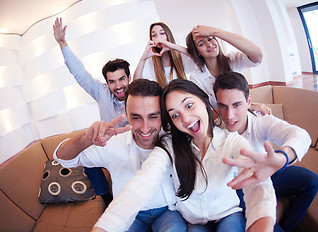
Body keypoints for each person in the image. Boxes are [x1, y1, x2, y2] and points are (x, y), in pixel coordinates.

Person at [93, 79, 278, 232]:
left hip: (227, 214)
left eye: (189, 105)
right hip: (194, 223)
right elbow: (143, 183)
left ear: (204, 102)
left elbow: (258, 188)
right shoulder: (169, 145)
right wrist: (105, 227)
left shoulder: (232, 141)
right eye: (174, 115)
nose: (185, 119)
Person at [53, 79, 187, 232]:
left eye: (153, 116)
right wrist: (86, 139)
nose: (144, 128)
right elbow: (63, 158)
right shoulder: (112, 144)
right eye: (136, 117)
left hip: (168, 212)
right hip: (129, 215)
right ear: (126, 113)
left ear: (162, 114)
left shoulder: (174, 139)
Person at [213, 72, 318, 232]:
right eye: (223, 106)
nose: (229, 115)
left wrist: (282, 157)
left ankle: (288, 227)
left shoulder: (260, 121)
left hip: (267, 172)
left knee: (311, 181)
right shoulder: (214, 130)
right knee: (262, 217)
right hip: (238, 186)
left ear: (249, 102)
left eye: (236, 105)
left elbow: (301, 135)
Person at [53, 17, 131, 206]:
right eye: (112, 81)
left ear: (129, 77)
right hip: (107, 147)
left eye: (122, 79)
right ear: (106, 83)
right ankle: (105, 197)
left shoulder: (139, 93)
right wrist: (63, 43)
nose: (118, 86)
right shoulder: (101, 92)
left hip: (131, 146)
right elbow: (80, 73)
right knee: (87, 156)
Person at [186, 25, 269, 115]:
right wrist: (248, 106)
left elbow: (258, 55)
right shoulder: (196, 77)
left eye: (210, 39)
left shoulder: (233, 60)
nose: (209, 44)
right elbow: (205, 112)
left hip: (246, 118)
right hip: (221, 124)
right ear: (197, 51)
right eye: (201, 44)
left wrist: (214, 31)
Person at [133, 22, 197, 88]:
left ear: (168, 35)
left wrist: (173, 46)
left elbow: (198, 58)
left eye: (162, 33)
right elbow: (136, 83)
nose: (158, 37)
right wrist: (143, 59)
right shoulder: (151, 61)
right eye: (154, 35)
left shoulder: (180, 56)